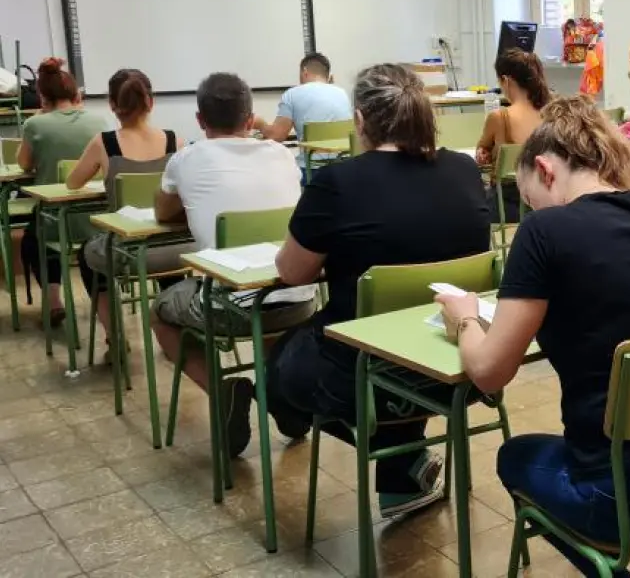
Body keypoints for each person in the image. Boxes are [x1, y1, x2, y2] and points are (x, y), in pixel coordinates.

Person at [435, 96, 630, 575]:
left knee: (515, 456)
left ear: (545, 170)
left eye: (530, 199)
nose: (532, 210)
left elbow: (489, 373)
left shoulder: (545, 232)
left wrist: (467, 319)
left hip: (621, 498)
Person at [266, 63, 491, 519]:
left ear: (360, 120)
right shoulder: (464, 170)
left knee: (279, 364)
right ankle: (399, 472)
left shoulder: (337, 183)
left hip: (360, 377)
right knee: (384, 348)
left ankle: (395, 455)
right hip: (452, 366)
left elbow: (292, 273)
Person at [152, 72, 317, 459]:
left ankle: (224, 390)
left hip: (230, 308)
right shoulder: (282, 154)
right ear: (250, 118)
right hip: (299, 298)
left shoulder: (186, 159)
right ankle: (283, 396)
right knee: (269, 320)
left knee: (159, 313)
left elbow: (162, 211)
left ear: (199, 120)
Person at [70, 68, 188, 344]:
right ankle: (176, 331)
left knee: (87, 256)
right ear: (151, 102)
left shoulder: (104, 142)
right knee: (164, 252)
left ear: (112, 104)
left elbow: (73, 183)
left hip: (128, 252)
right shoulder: (176, 142)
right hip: (177, 250)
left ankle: (116, 337)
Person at [17, 57, 107, 326]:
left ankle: (54, 301)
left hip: (56, 221)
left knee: (33, 239)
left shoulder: (35, 125)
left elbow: (23, 164)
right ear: (74, 93)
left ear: (42, 96)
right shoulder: (99, 122)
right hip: (100, 220)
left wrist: (37, 118)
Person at [477, 50, 552, 223]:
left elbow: (481, 151)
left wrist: (483, 153)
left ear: (506, 81)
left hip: (507, 207)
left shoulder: (499, 117)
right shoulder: (551, 113)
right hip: (546, 202)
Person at [253, 52, 352, 165]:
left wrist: (260, 123)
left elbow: (277, 136)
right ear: (328, 76)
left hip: (311, 170)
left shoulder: (292, 94)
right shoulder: (342, 93)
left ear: (305, 71)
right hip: (344, 166)